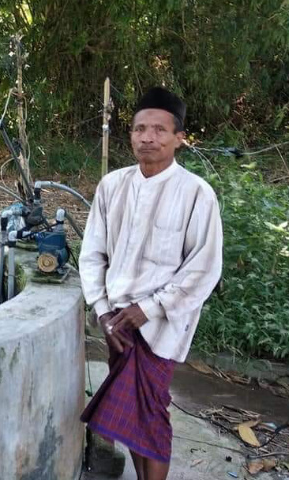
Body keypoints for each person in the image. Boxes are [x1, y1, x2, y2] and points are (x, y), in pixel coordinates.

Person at [79, 87, 223, 480]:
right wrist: (103, 310)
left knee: (152, 416)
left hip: (161, 326)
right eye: (140, 128)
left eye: (160, 130)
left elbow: (204, 267)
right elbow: (92, 254)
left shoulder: (197, 194)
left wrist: (149, 308)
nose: (148, 137)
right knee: (133, 422)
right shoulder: (112, 186)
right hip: (116, 326)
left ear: (179, 138)